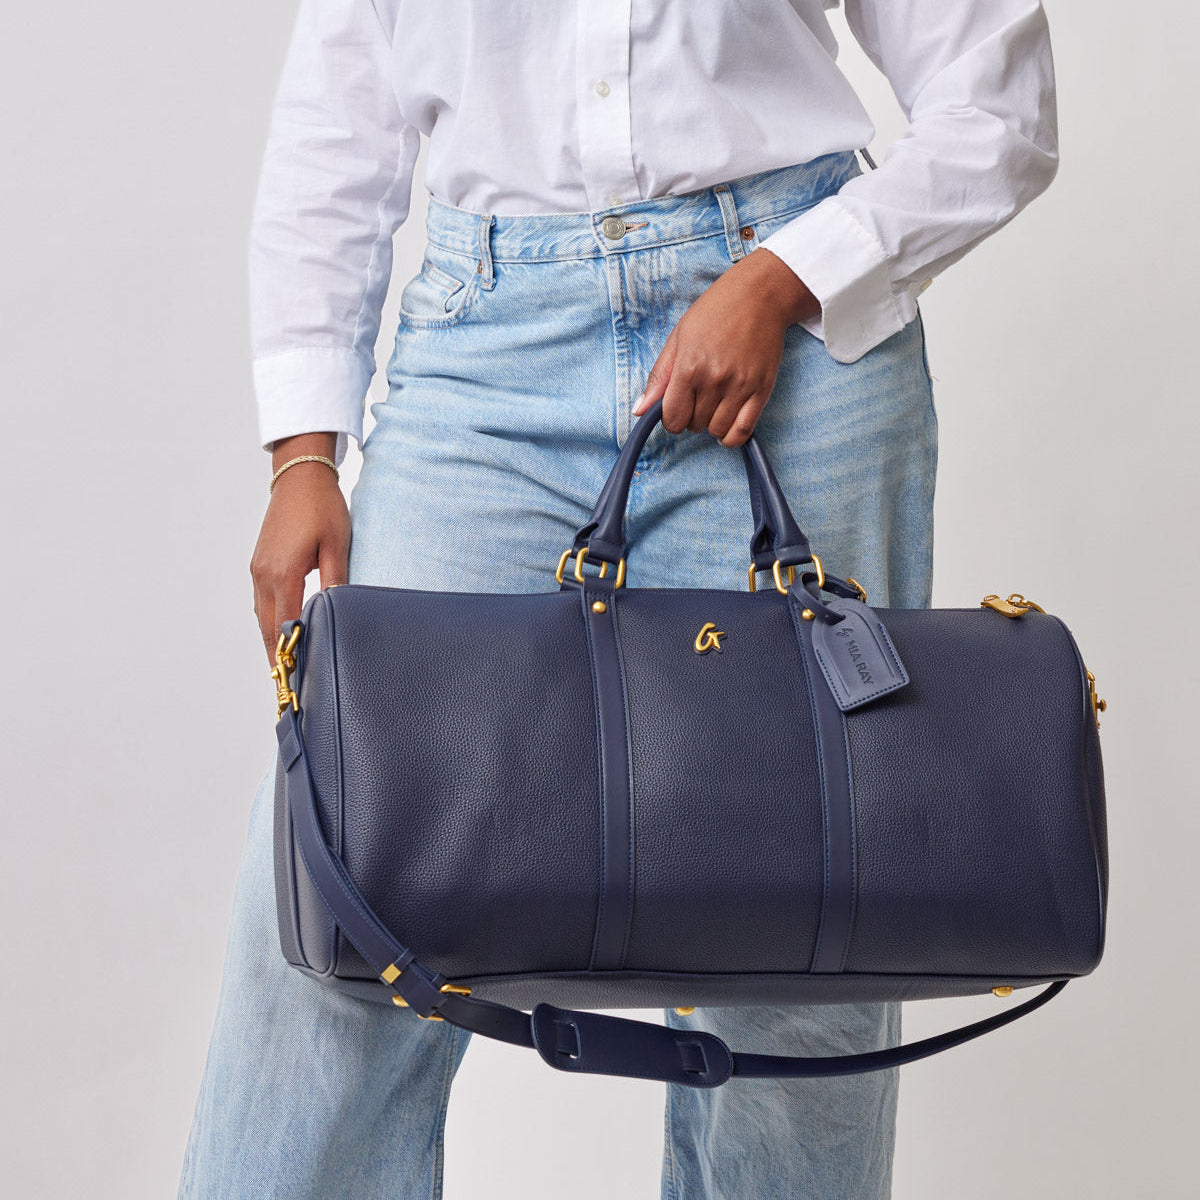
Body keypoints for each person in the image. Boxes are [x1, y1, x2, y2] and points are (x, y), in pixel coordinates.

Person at [178, 2, 1059, 1196]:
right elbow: (337, 124)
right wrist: (303, 453)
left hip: (795, 343)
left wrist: (792, 273)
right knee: (346, 909)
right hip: (482, 352)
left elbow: (997, 96)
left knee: (816, 934)